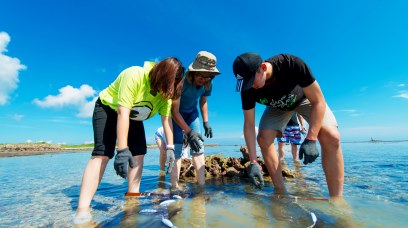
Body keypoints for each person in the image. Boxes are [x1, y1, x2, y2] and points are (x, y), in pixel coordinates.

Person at [74, 57, 185, 224]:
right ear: (161, 76)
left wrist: (170, 147)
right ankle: (82, 209)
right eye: (169, 85)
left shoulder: (165, 96)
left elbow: (166, 121)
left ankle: (132, 199)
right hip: (108, 108)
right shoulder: (135, 75)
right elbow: (122, 111)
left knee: (139, 152)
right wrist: (122, 149)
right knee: (102, 154)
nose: (170, 91)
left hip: (133, 117)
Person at [232, 53, 344, 199]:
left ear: (263, 68)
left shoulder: (291, 64)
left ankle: (337, 201)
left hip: (304, 99)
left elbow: (319, 101)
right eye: (246, 83)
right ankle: (280, 193)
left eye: (251, 81)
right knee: (264, 139)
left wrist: (311, 138)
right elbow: (249, 124)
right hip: (277, 107)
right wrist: (253, 162)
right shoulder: (247, 89)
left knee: (331, 136)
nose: (250, 86)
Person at [170, 51, 221, 189]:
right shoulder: (181, 81)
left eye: (208, 76)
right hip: (176, 114)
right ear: (193, 71)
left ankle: (201, 186)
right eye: (200, 75)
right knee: (177, 149)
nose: (204, 79)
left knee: (198, 147)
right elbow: (174, 111)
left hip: (192, 113)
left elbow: (203, 101)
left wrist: (206, 122)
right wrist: (188, 131)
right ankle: (174, 187)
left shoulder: (208, 84)